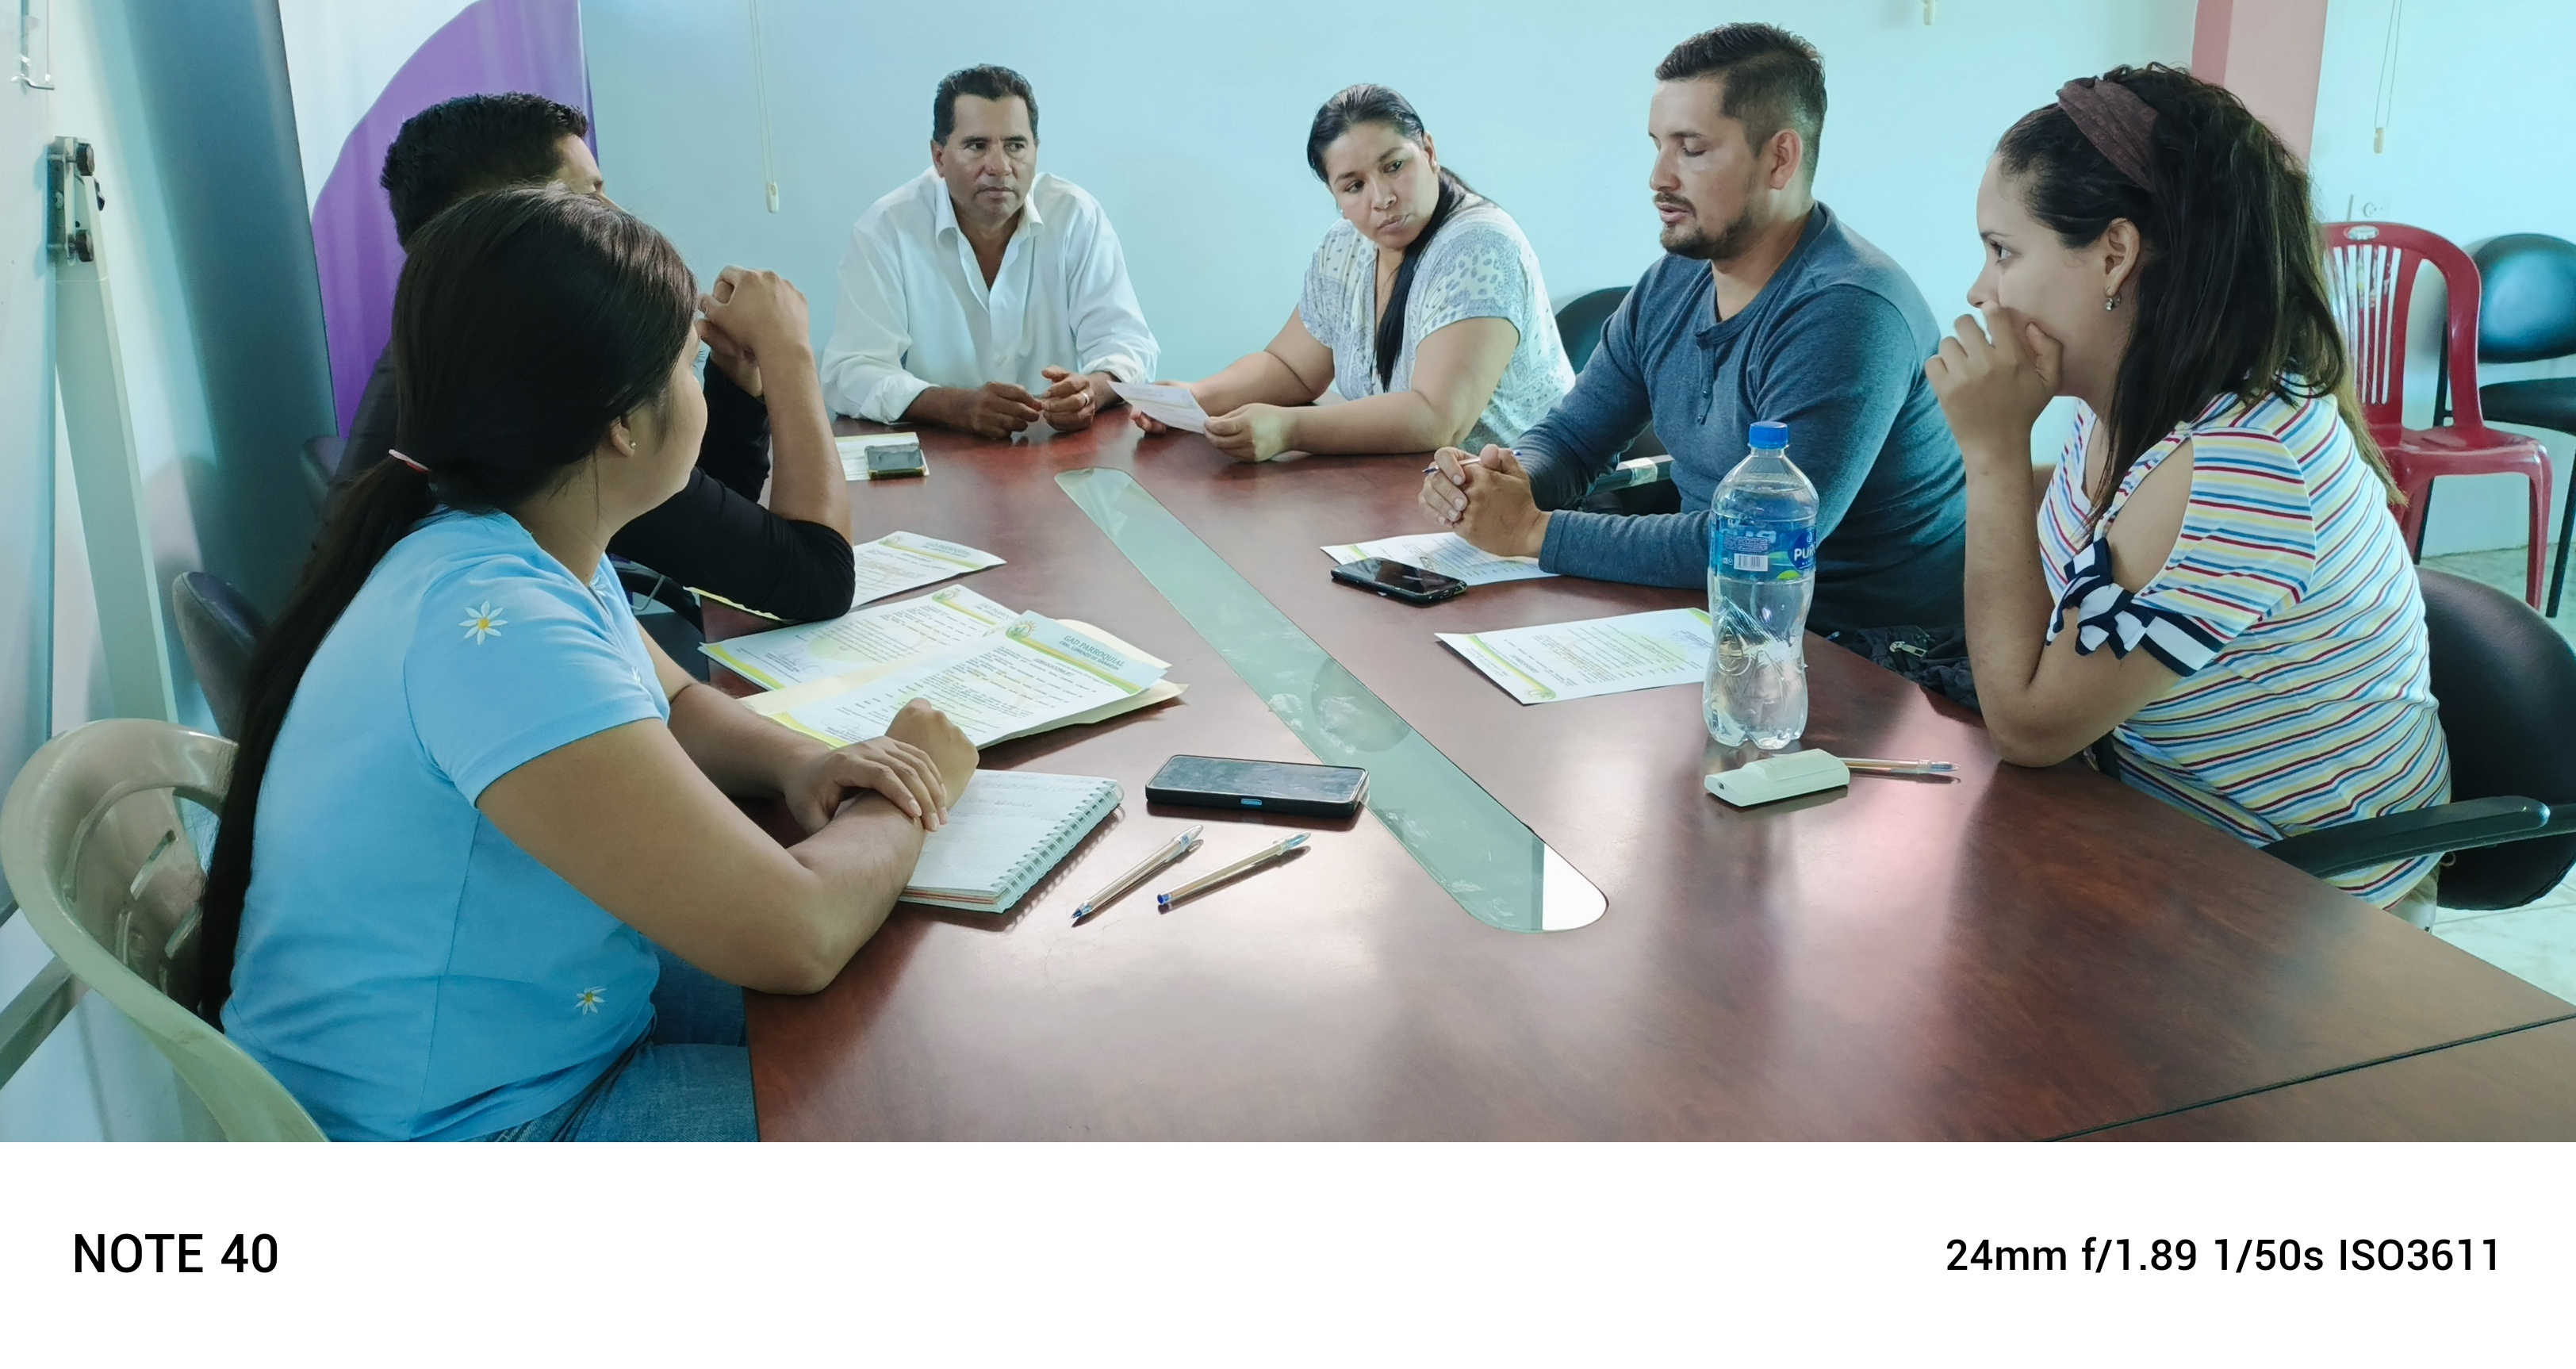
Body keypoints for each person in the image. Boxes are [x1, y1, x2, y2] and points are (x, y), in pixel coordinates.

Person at [203, 188, 979, 1141]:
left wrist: (804, 762)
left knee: (911, 1017)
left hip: (529, 1027)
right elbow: (801, 933)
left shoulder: (508, 539)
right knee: (914, 1102)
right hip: (472, 1125)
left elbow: (674, 701)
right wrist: (909, 790)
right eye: (688, 366)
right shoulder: (501, 631)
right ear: (621, 422)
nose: (700, 388)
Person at [1923, 65, 2449, 915]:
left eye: (2002, 251)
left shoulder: (2237, 466)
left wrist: (1992, 455)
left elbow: (2028, 726)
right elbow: (2085, 523)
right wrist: (1968, 461)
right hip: (2149, 815)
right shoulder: (2144, 396)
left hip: (2304, 897)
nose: (1980, 290)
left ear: (2114, 254)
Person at [1418, 25, 1967, 635]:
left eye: (1692, 149)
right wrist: (1508, 478)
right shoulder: (1674, 280)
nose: (1659, 177)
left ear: (1780, 159)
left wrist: (1530, 529)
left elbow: (1763, 544)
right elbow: (1574, 438)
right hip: (1713, 619)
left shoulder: (1848, 313)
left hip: (1859, 652)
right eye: (1658, 145)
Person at [349, 94, 857, 623]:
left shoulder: (461, 349)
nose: (618, 217)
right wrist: (789, 352)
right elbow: (816, 581)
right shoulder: (537, 394)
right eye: (589, 197)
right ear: (509, 222)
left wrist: (737, 384)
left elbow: (702, 519)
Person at [1138, 85, 1574, 463]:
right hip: (1408, 490)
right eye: (1354, 186)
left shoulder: (1480, 244)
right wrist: (1195, 396)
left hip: (1522, 500)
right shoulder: (1346, 244)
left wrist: (1289, 428)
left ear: (1428, 152)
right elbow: (1292, 368)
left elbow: (1438, 419)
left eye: (1394, 166)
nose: (1381, 198)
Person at [821, 65, 1157, 439]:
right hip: (937, 454)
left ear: (1036, 151)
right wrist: (956, 407)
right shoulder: (887, 228)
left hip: (1056, 450)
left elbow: (1128, 345)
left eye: (1015, 146)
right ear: (939, 157)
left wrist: (1090, 392)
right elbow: (851, 372)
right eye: (977, 146)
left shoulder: (1075, 216)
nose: (999, 167)